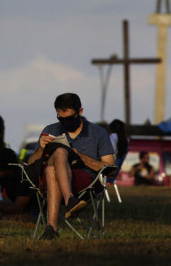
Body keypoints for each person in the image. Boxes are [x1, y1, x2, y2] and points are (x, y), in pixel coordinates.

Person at [27, 93, 114, 240]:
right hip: (50, 185)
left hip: (85, 183)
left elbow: (110, 169)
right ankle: (70, 201)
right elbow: (30, 164)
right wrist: (41, 149)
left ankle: (51, 227)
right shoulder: (50, 130)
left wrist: (81, 157)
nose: (65, 122)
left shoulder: (98, 133)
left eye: (69, 118)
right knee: (55, 159)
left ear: (80, 112)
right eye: (61, 118)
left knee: (55, 161)